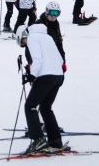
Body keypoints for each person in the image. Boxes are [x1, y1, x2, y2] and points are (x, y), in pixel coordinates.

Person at [16, 23, 65, 154]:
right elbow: (60, 59)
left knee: (30, 106)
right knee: (45, 107)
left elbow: (37, 59)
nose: (25, 44)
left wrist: (32, 75)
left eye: (23, 41)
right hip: (58, 76)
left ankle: (38, 140)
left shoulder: (32, 38)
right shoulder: (47, 37)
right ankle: (55, 141)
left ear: (23, 35)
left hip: (46, 76)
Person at [42, 1, 66, 68]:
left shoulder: (56, 24)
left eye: (56, 13)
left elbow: (59, 44)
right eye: (52, 13)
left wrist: (63, 61)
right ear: (47, 12)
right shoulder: (40, 25)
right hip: (42, 59)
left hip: (52, 58)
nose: (54, 16)